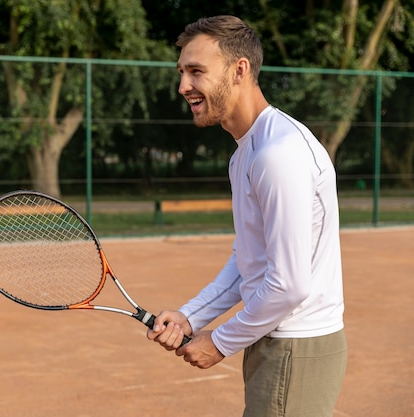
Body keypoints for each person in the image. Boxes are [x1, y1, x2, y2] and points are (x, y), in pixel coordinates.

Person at [146, 16, 347, 417]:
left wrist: (220, 341)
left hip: (294, 342)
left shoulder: (278, 153)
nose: (183, 86)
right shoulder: (247, 153)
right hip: (274, 339)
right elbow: (249, 259)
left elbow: (289, 285)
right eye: (182, 72)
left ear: (240, 70)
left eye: (196, 71)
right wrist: (190, 316)